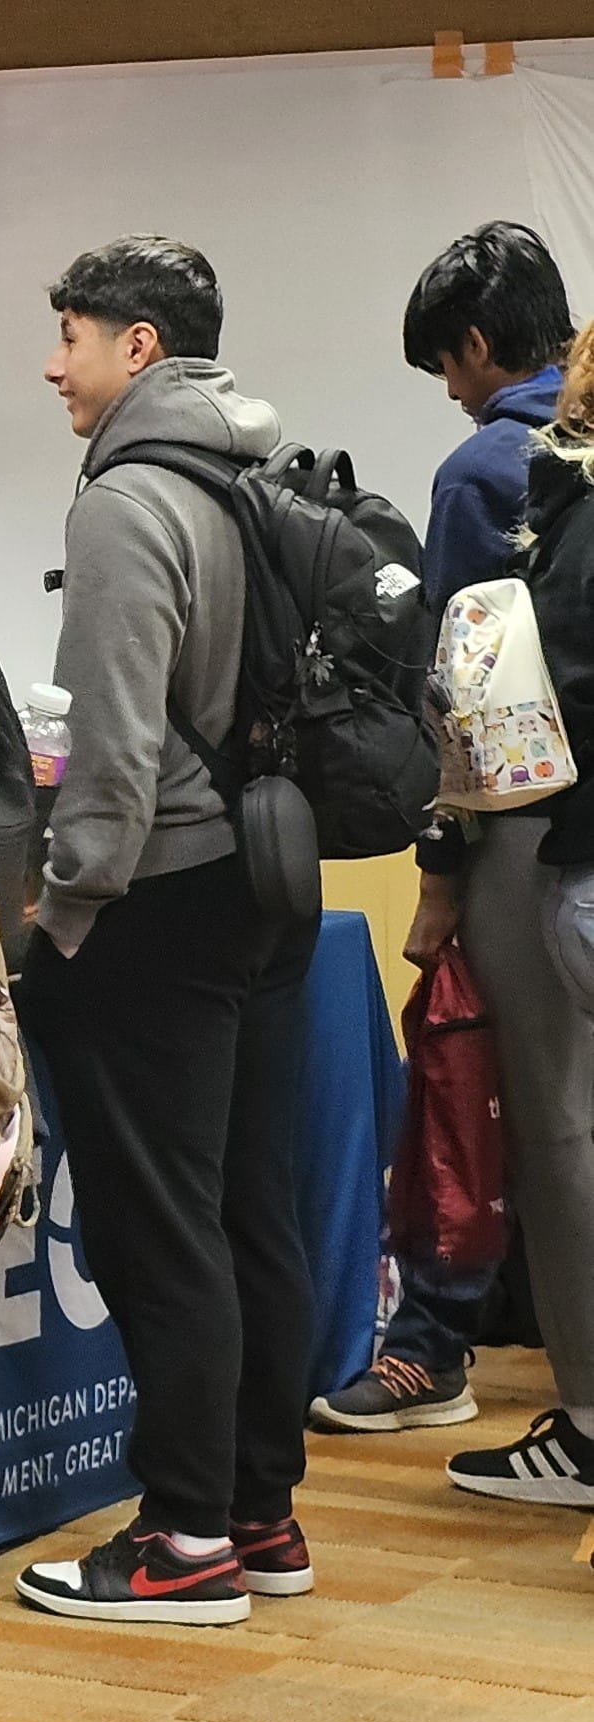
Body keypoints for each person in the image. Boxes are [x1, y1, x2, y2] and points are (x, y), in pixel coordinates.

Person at [12, 237, 319, 1627]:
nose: (53, 361)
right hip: (264, 880)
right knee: (250, 1206)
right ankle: (259, 1505)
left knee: (158, 1227)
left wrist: (62, 907)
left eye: (70, 333)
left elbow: (115, 756)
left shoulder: (131, 500)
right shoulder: (259, 464)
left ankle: (185, 1535)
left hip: (158, 897)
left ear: (140, 347)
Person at [314, 222, 573, 1436]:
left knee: (472, 1087)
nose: (457, 395)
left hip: (522, 839)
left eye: (448, 370)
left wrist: (438, 869)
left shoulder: (485, 471)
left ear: (475, 346)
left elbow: (467, 692)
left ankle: (430, 1349)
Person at [414, 320, 594, 1508]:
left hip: (556, 845)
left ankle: (586, 1425)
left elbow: (498, 708)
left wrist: (443, 853)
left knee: (568, 1128)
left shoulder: (515, 478)